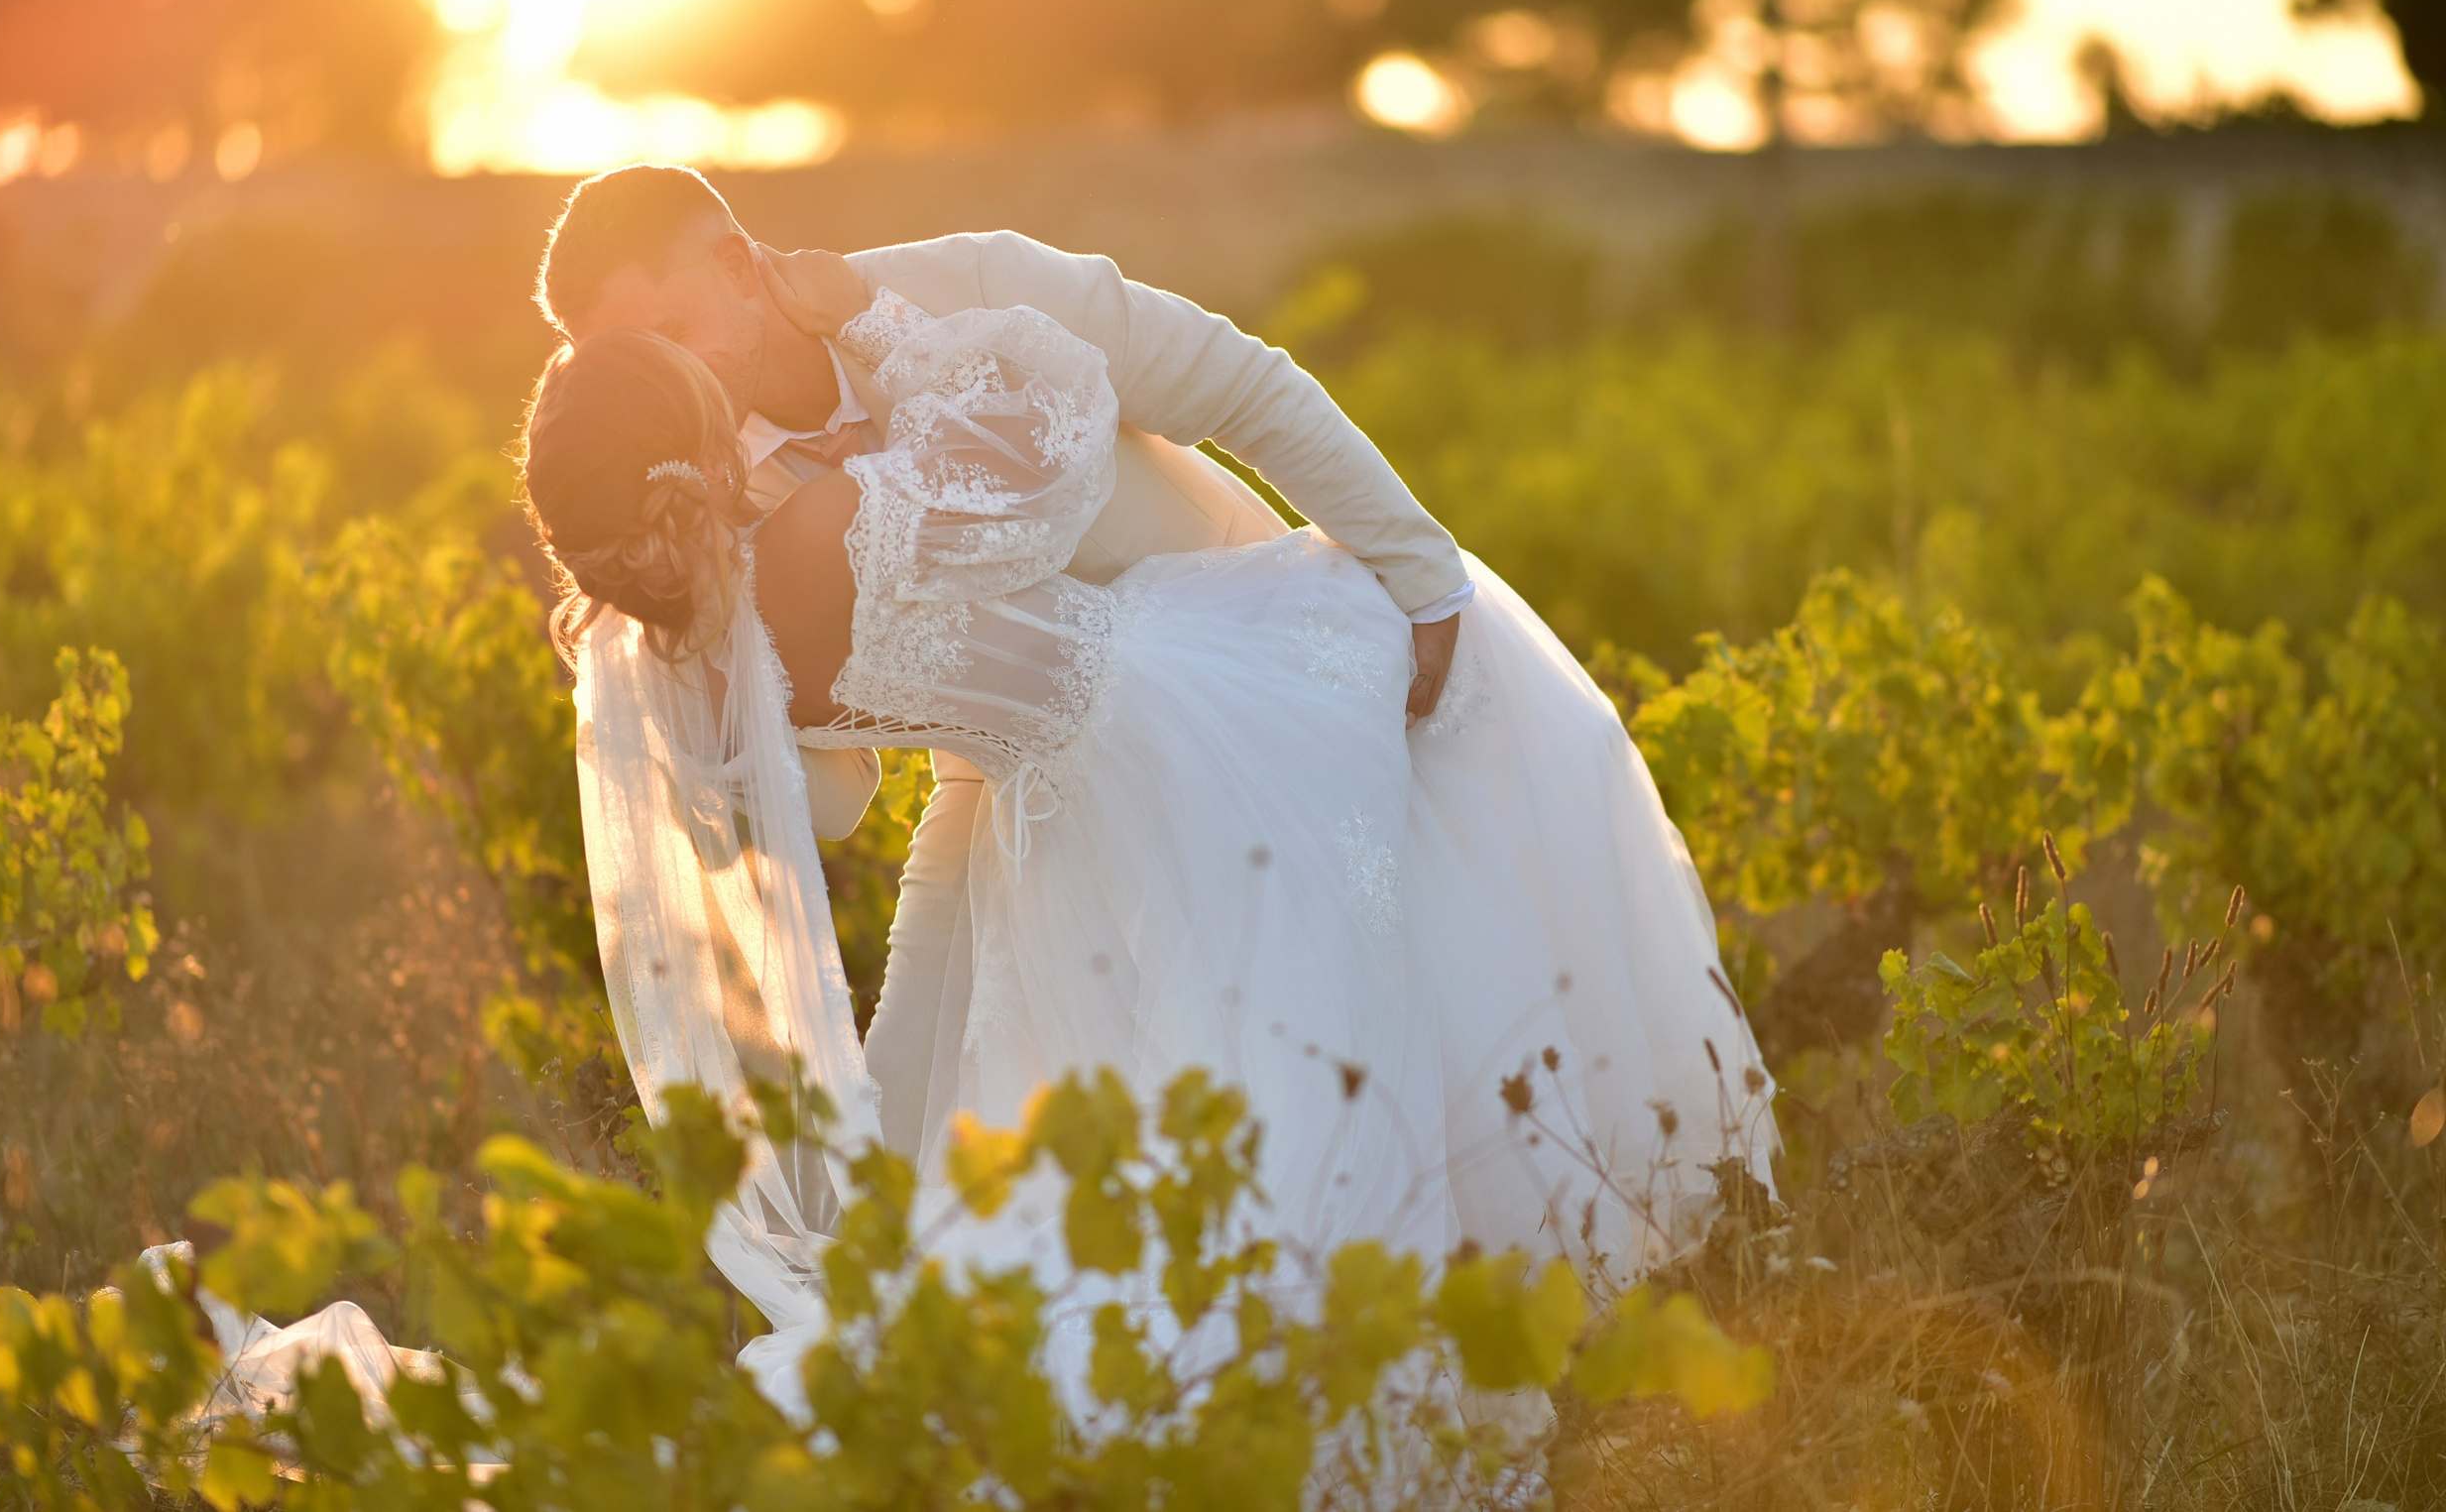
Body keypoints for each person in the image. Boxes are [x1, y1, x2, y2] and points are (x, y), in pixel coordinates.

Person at [519, 252, 1775, 1395]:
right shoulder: (826, 519)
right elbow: (1052, 435)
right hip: (1181, 721)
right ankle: (1401, 1326)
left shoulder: (698, 640)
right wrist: (885, 330)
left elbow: (829, 802)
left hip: (1049, 821)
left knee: (1175, 1094)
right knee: (1314, 1027)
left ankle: (1276, 1340)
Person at [531, 165, 1478, 1171]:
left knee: (1323, 1038)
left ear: (736, 266)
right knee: (913, 1117)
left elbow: (1239, 385)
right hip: (1012, 770)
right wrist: (710, 721)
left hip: (1230, 666)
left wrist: (1421, 576)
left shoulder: (974, 284)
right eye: (630, 357)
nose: (666, 376)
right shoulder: (715, 500)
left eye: (670, 331)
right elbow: (844, 792)